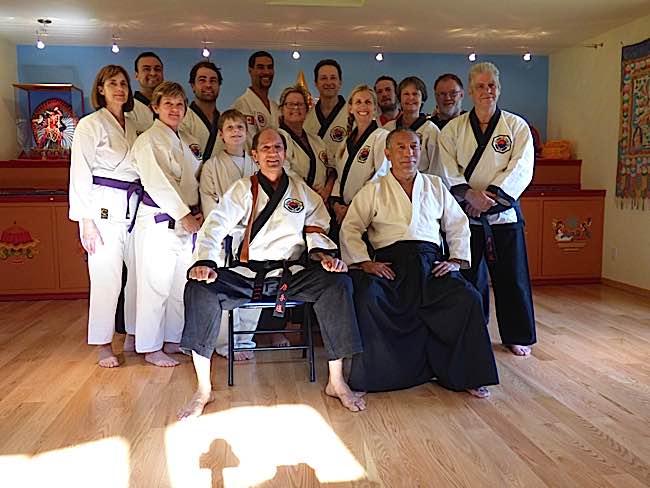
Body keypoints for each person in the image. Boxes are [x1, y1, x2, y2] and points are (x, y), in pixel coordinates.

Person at [177, 128, 366, 419]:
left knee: (338, 282)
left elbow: (318, 226)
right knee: (198, 287)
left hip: (291, 273)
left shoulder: (301, 190)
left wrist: (324, 256)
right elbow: (214, 227)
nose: (272, 153)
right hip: (248, 273)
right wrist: (206, 263)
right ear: (255, 155)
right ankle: (203, 389)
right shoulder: (242, 189)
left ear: (285, 153)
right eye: (265, 148)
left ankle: (336, 381)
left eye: (277, 147)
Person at [340, 128, 498, 397]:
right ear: (388, 153)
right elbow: (351, 228)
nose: (408, 153)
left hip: (431, 265)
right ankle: (374, 376)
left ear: (420, 151)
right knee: (368, 297)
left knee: (467, 298)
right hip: (392, 266)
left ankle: (467, 374)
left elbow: (458, 225)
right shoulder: (373, 189)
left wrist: (455, 261)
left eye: (413, 147)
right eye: (400, 147)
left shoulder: (435, 185)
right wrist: (365, 262)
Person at [439, 62, 536, 356]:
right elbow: (447, 168)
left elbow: (521, 167)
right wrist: (470, 196)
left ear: (499, 88)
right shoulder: (453, 129)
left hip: (503, 215)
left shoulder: (516, 126)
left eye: (491, 85)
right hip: (466, 215)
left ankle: (516, 334)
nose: (486, 91)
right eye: (480, 86)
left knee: (512, 277)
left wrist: (491, 198)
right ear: (470, 91)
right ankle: (473, 331)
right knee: (470, 279)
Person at [69, 64, 138, 367]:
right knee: (106, 278)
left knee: (138, 276)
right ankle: (102, 342)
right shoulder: (89, 124)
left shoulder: (136, 123)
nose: (119, 88)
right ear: (101, 89)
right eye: (112, 83)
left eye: (123, 83)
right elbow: (80, 172)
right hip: (102, 208)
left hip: (136, 206)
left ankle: (137, 334)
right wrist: (85, 220)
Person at [132, 81, 204, 367]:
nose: (175, 109)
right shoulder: (148, 140)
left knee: (178, 286)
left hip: (184, 223)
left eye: (179, 104)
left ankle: (172, 339)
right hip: (159, 221)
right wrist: (184, 215)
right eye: (168, 104)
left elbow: (192, 180)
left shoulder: (182, 140)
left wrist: (194, 214)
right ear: (155, 107)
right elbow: (156, 182)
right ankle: (150, 347)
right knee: (155, 286)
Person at [199, 109, 259, 361]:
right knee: (227, 291)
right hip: (228, 236)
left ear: (247, 133)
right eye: (230, 128)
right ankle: (224, 343)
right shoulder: (212, 166)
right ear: (221, 135)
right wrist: (236, 223)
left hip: (255, 236)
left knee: (253, 289)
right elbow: (211, 204)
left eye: (240, 127)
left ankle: (245, 339)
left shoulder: (256, 163)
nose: (236, 131)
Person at [330, 85, 389, 232]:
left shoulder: (382, 136)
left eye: (368, 102)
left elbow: (380, 177)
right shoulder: (345, 142)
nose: (363, 106)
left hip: (368, 210)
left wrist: (353, 208)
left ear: (375, 108)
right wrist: (337, 205)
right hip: (342, 212)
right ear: (350, 108)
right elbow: (339, 177)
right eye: (358, 102)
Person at [278, 85, 334, 200]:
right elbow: (283, 172)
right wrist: (310, 192)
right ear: (282, 109)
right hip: (294, 201)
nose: (295, 108)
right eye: (290, 104)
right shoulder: (278, 138)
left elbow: (332, 168)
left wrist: (327, 190)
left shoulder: (317, 141)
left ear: (307, 109)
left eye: (300, 104)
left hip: (322, 202)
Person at [383, 76, 441, 175]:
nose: (410, 98)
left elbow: (436, 168)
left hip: (422, 184)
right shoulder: (388, 128)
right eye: (406, 94)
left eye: (415, 94)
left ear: (422, 98)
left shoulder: (431, 130)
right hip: (391, 183)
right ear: (399, 99)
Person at [304, 59, 348, 168]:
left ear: (340, 82)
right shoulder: (306, 117)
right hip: (314, 179)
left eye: (333, 78)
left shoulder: (352, 114)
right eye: (323, 78)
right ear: (316, 83)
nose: (328, 82)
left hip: (342, 179)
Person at [231, 51, 280, 150]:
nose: (266, 72)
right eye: (260, 67)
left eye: (270, 67)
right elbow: (246, 146)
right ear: (250, 70)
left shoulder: (275, 107)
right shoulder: (241, 106)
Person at [179, 61, 223, 161]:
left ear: (219, 86)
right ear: (193, 86)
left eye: (213, 81)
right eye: (202, 80)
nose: (208, 85)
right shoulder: (183, 119)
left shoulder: (224, 121)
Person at [126, 51, 163, 134]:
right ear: (136, 75)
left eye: (157, 69)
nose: (153, 73)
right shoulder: (129, 109)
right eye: (146, 69)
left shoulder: (170, 107)